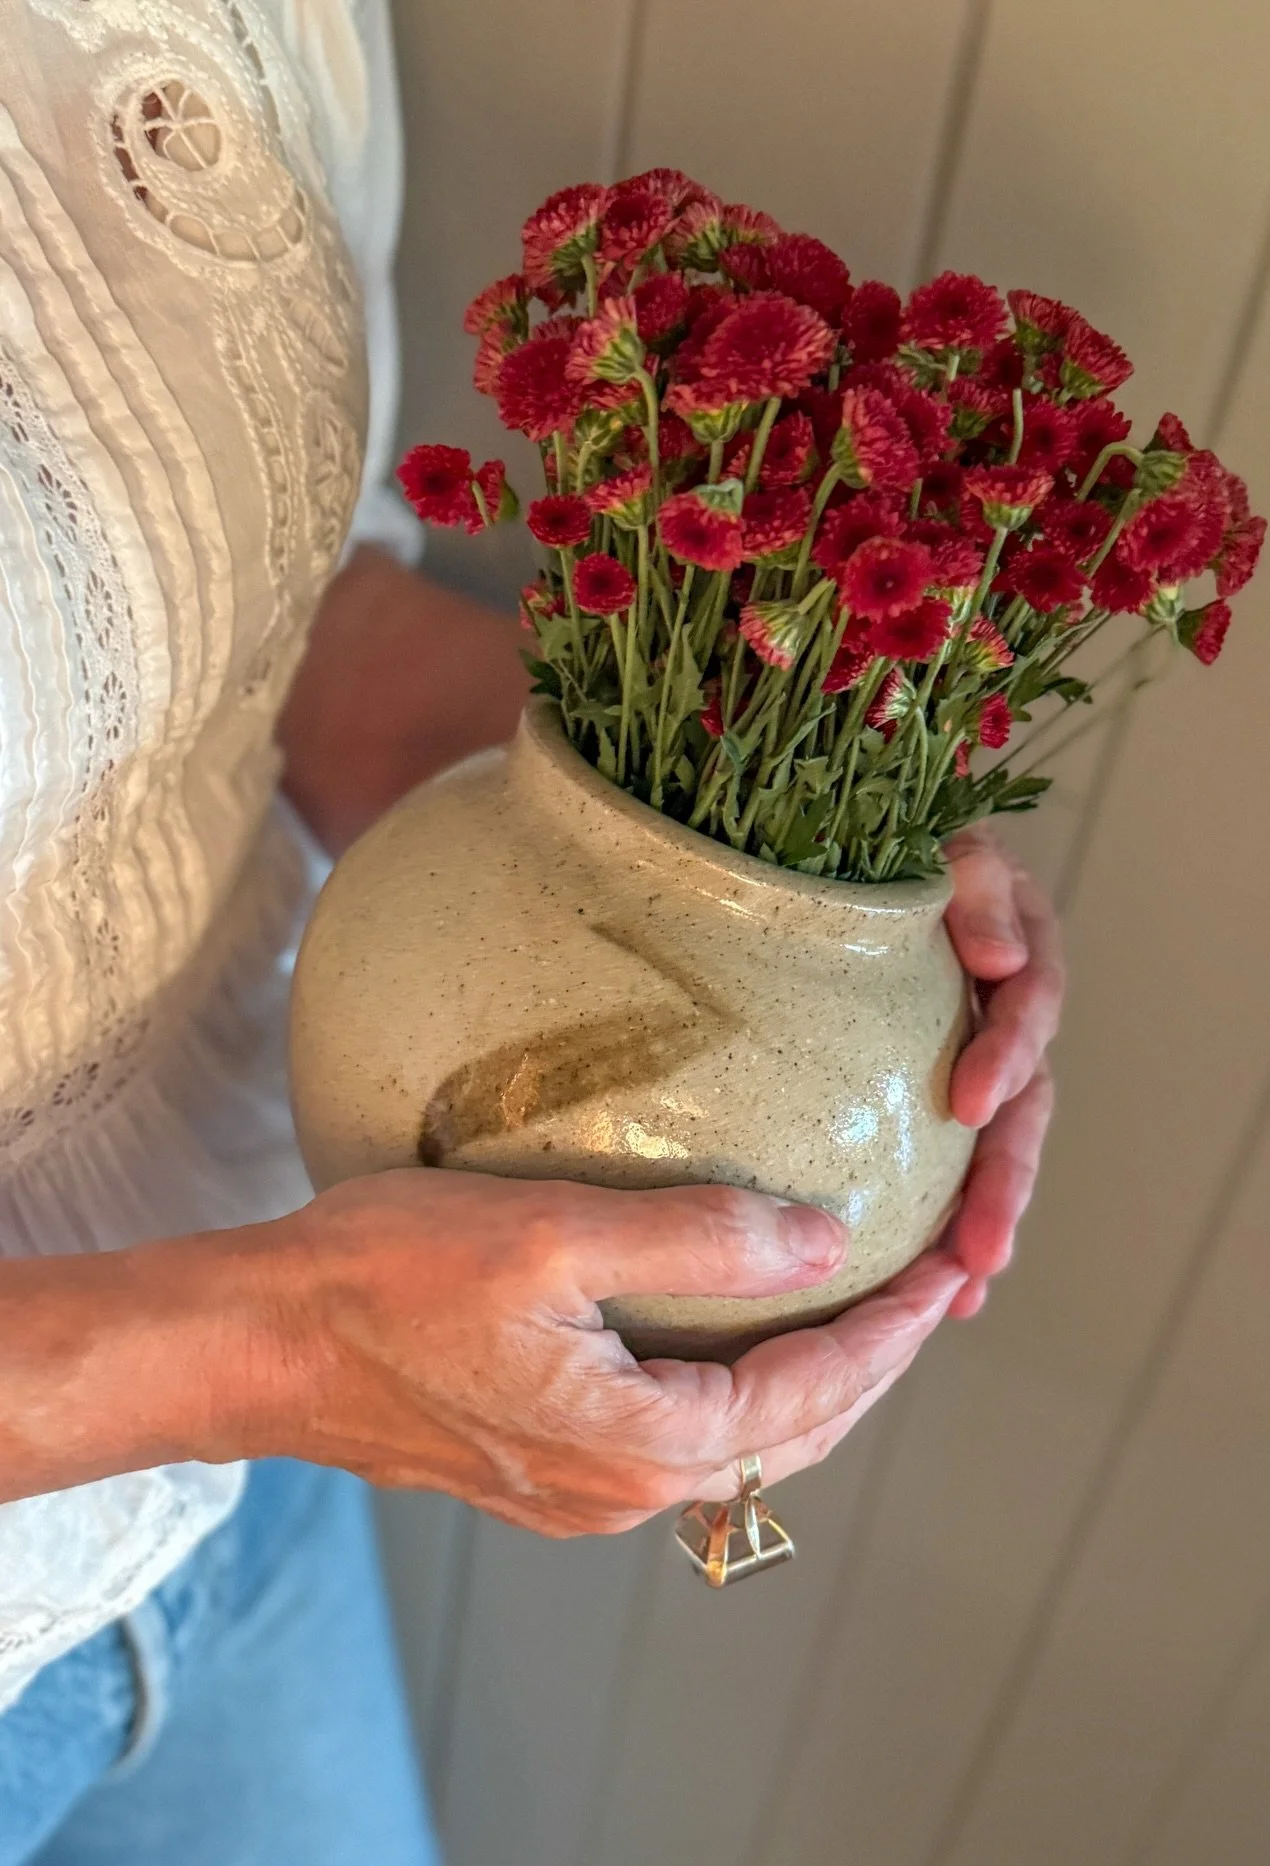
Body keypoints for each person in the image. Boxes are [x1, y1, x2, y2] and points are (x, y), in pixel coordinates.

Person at [0, 2, 1062, 1861]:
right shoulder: (283, 1343)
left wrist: (780, 849)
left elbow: (276, 643)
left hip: (250, 1447)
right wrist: (268, 1346)